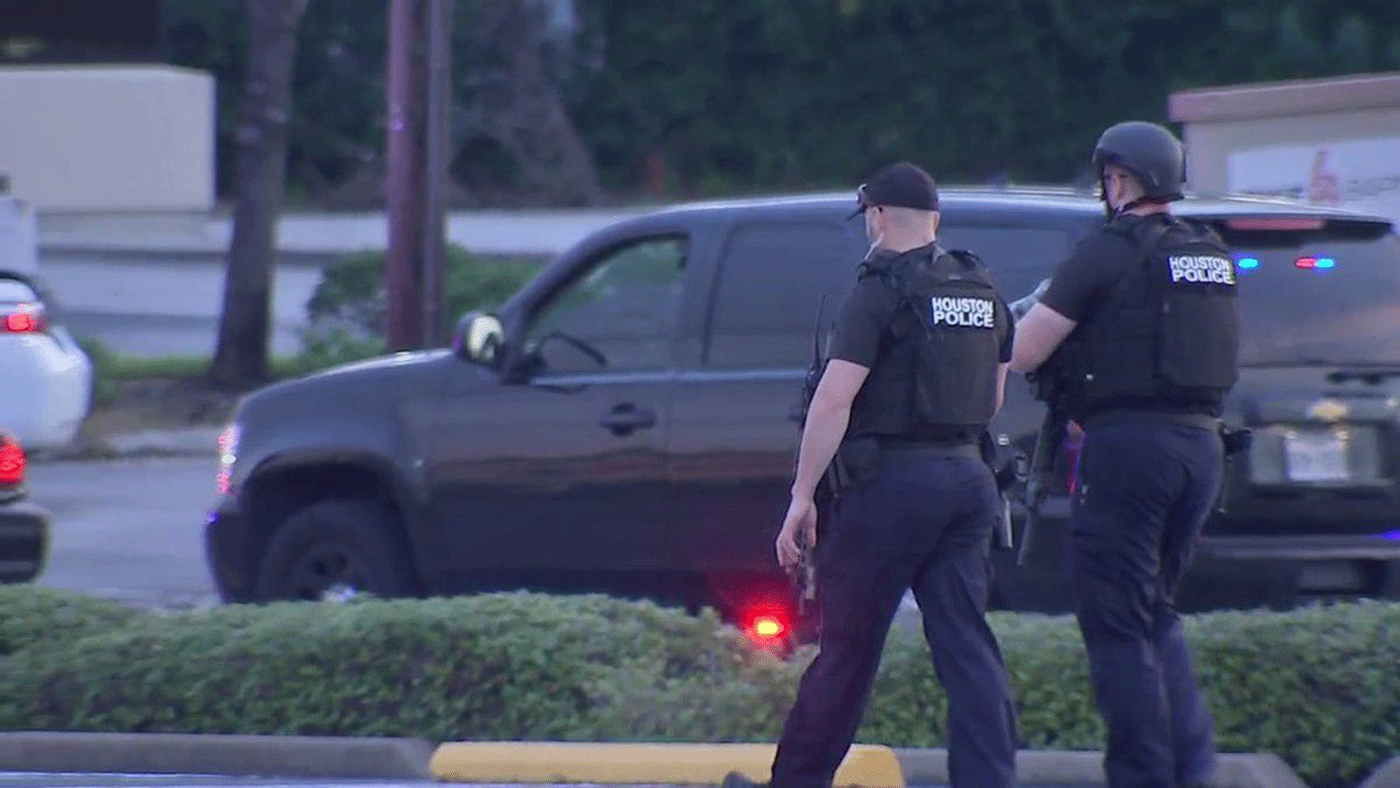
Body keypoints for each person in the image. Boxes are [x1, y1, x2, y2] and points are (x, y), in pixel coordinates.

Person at [725, 161, 1019, 788]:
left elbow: (835, 399)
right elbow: (993, 400)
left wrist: (802, 495)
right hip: (970, 483)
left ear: (878, 217)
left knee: (848, 654)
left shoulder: (882, 288)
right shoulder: (979, 286)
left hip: (890, 490)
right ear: (935, 220)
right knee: (967, 648)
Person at [1009, 120, 1240, 788]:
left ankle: (1142, 776)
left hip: (1130, 453)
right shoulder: (1209, 251)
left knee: (1115, 624)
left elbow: (1024, 349)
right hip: (1201, 450)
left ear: (1119, 179)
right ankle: (1192, 771)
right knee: (1155, 614)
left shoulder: (1108, 251)